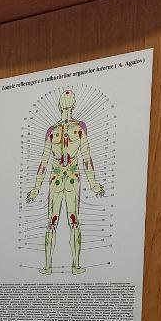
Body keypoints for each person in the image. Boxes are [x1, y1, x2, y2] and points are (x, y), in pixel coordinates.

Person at [25, 89, 105, 274]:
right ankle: (65, 266)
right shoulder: (71, 129)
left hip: (63, 179)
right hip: (66, 179)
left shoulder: (61, 130)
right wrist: (93, 184)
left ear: (60, 105)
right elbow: (85, 159)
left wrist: (36, 188)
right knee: (65, 221)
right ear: (72, 104)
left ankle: (58, 266)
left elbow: (46, 162)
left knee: (61, 221)